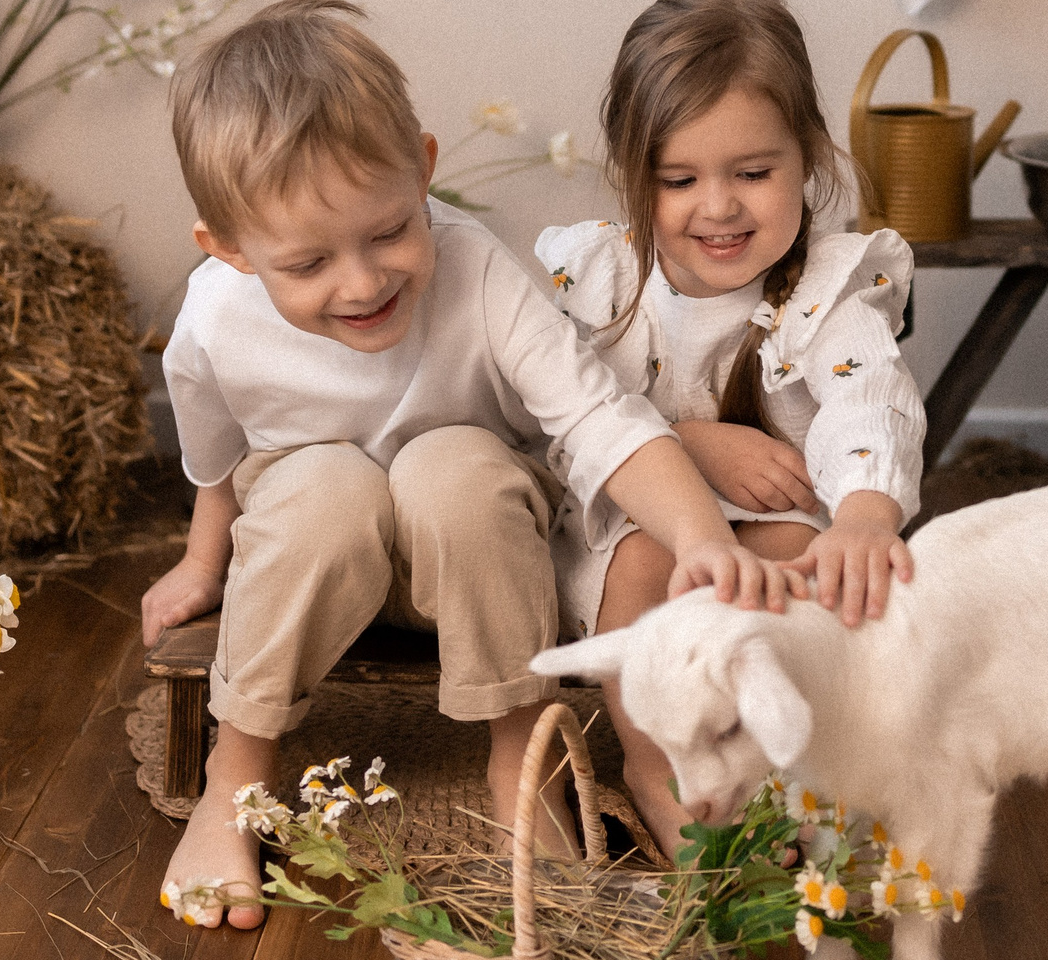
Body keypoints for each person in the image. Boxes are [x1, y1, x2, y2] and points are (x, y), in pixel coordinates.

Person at [141, 0, 802, 929]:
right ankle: (234, 781)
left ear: (422, 168)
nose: (363, 282)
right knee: (322, 485)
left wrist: (700, 538)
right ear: (230, 249)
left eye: (388, 231)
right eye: (309, 263)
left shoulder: (478, 272)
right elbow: (215, 460)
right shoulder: (213, 319)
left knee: (454, 464)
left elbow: (598, 417)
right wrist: (202, 562)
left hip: (477, 561)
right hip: (316, 555)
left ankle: (521, 761)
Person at [535, 0, 926, 856]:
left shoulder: (828, 290)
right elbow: (559, 417)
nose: (717, 207)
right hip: (634, 525)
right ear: (634, 174)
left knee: (787, 563)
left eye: (752, 172)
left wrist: (865, 515)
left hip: (775, 519)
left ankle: (772, 770)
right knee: (645, 565)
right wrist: (689, 443)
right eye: (678, 181)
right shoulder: (608, 281)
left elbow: (871, 399)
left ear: (808, 155)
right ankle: (658, 769)